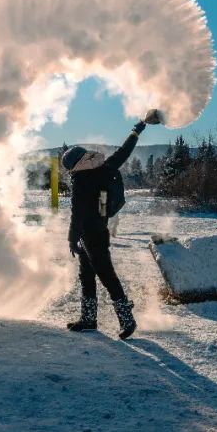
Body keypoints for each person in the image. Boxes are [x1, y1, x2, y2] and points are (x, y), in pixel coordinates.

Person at [60, 109, 161, 339]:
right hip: (99, 231)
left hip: (90, 235)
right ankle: (89, 320)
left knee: (105, 275)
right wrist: (136, 130)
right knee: (87, 275)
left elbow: (77, 214)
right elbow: (124, 152)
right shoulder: (105, 169)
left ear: (75, 165)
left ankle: (127, 318)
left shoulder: (81, 181)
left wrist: (71, 239)